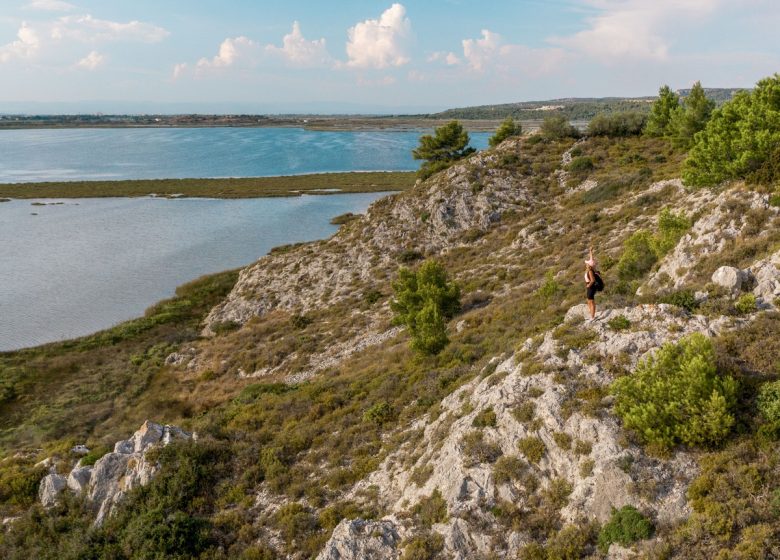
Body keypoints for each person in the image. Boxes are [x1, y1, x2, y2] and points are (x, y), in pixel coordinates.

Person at [584, 246, 598, 320]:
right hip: (590, 287)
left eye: (587, 263)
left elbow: (592, 280)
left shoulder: (590, 271)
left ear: (588, 265)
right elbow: (591, 259)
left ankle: (592, 317)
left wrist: (588, 285)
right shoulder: (591, 270)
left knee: (591, 301)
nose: (586, 264)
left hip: (591, 287)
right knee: (589, 301)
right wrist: (590, 251)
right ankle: (591, 315)